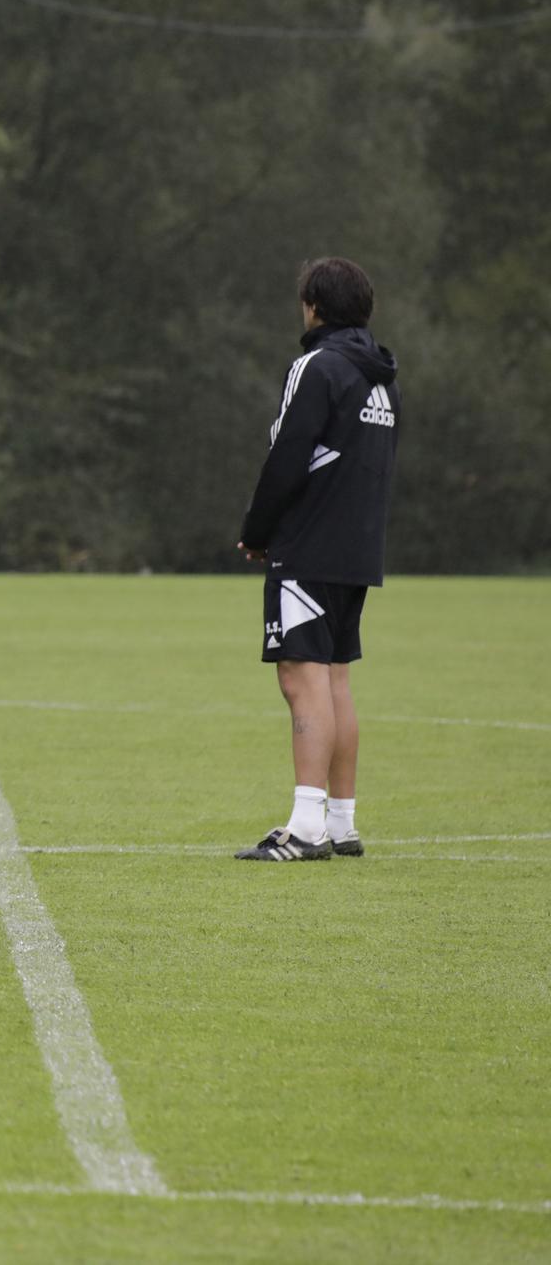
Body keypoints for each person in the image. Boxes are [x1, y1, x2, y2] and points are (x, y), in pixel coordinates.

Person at [235, 258, 400, 862]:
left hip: (308, 544)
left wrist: (258, 530)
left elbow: (287, 457)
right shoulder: (381, 378)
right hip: (358, 547)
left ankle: (306, 830)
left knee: (301, 679)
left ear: (313, 306)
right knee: (334, 679)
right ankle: (342, 820)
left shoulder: (317, 365)